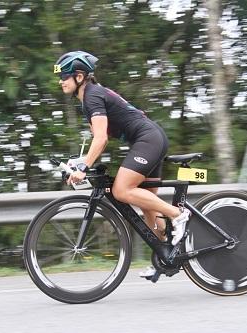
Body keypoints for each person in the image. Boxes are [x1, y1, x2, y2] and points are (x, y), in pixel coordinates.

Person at [54, 51, 191, 279]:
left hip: (148, 139)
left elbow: (101, 139)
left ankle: (178, 215)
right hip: (149, 139)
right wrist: (79, 163)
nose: (61, 82)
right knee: (147, 206)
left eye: (64, 77)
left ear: (79, 77)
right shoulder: (90, 99)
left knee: (121, 190)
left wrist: (84, 169)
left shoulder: (92, 96)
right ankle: (166, 255)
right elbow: (97, 141)